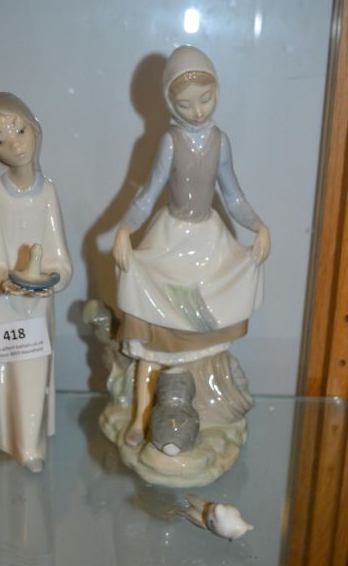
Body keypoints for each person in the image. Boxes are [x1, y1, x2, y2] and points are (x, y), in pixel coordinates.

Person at [113, 46, 270, 447]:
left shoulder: (220, 142)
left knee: (208, 311)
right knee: (151, 332)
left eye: (206, 99)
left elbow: (233, 196)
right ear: (170, 103)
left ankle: (199, 405)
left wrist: (258, 226)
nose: (198, 112)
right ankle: (140, 416)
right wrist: (125, 230)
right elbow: (148, 194)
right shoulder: (170, 142)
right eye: (185, 104)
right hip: (171, 240)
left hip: (207, 241)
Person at [0, 93, 72, 472]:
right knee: (2, 371)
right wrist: (1, 281)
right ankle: (3, 435)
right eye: (0, 140)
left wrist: (53, 277)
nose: (15, 144)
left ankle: (29, 446)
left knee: (32, 369)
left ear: (35, 128)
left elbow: (59, 254)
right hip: (3, 303)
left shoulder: (48, 193)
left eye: (19, 130)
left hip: (36, 303)